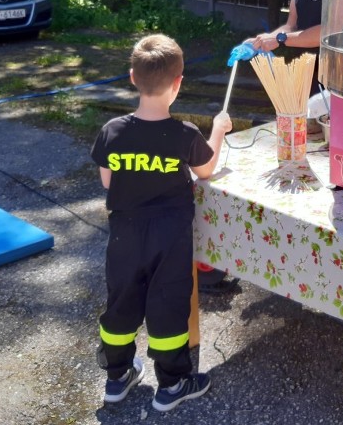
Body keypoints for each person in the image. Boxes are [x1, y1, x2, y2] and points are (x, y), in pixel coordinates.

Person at [90, 33, 232, 412]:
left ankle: (116, 376)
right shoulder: (184, 134)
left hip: (124, 234)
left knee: (120, 300)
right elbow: (206, 169)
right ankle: (171, 384)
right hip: (169, 237)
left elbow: (108, 181)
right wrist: (217, 130)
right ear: (178, 82)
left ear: (133, 77)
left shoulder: (112, 131)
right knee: (168, 302)